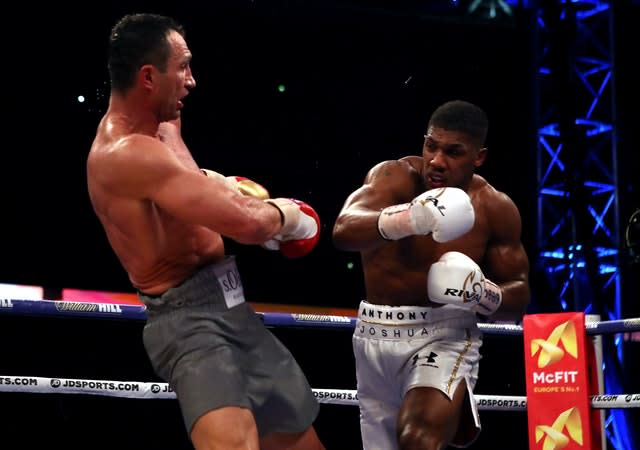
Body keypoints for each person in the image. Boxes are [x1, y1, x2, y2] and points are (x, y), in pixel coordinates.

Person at [87, 13, 326, 450]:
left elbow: (190, 191)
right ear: (147, 76)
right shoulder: (125, 152)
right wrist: (289, 215)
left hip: (233, 306)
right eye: (182, 66)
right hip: (189, 324)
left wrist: (213, 185)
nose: (191, 81)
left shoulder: (163, 124)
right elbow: (250, 225)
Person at [332, 99, 531, 450]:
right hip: (373, 334)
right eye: (431, 146)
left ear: (478, 156)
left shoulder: (494, 207)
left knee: (418, 438)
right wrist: (409, 218)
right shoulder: (393, 177)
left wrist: (483, 293)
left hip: (446, 335)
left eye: (453, 152)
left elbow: (518, 299)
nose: (437, 161)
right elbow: (343, 231)